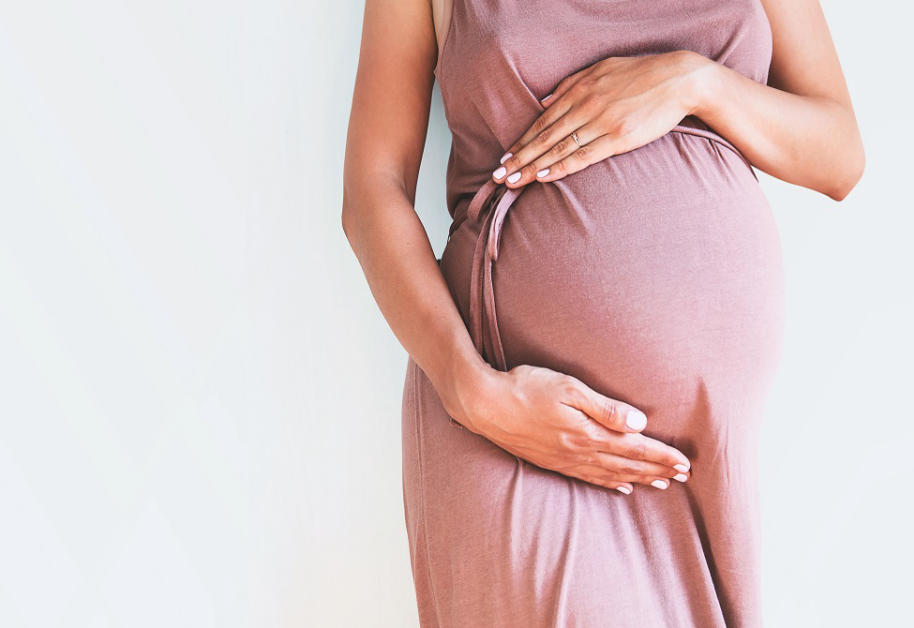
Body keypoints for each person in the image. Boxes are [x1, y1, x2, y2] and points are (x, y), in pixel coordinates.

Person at [341, 0, 864, 624]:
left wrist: (693, 82)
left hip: (705, 452)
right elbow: (372, 188)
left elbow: (839, 155)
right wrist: (470, 390)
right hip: (516, 416)